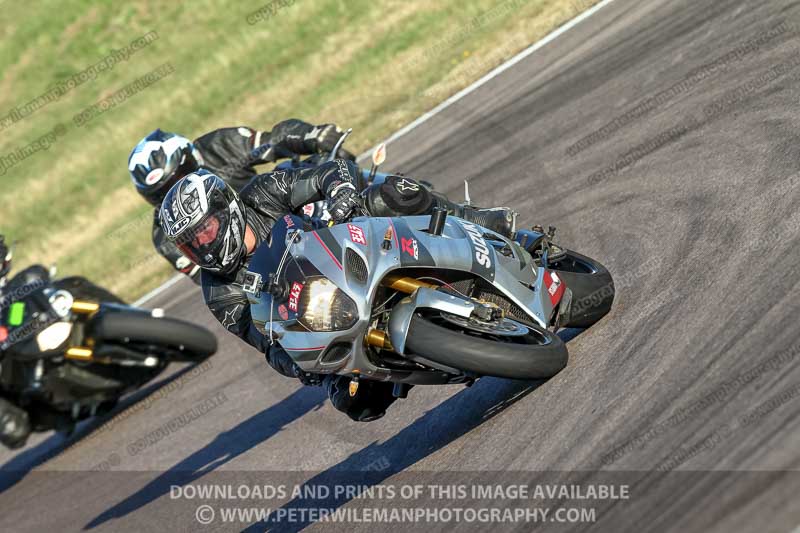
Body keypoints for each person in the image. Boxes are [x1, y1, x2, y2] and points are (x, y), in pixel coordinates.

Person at [158, 161, 515, 422]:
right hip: (323, 315)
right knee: (357, 403)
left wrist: (340, 193)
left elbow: (326, 171)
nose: (203, 246)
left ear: (226, 208)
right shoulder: (219, 291)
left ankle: (474, 220)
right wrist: (299, 366)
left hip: (348, 250)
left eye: (205, 231)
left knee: (392, 195)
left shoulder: (263, 194)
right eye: (191, 244)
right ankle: (431, 359)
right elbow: (264, 342)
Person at [128, 120, 353, 280]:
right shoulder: (169, 235)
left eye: (179, 177)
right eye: (162, 193)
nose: (178, 190)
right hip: (270, 267)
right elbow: (215, 281)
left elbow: (274, 140)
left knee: (322, 163)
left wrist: (312, 136)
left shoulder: (217, 147)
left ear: (191, 157)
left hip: (284, 210)